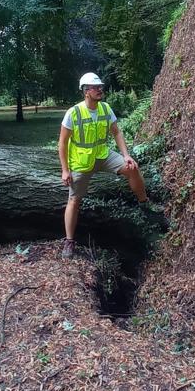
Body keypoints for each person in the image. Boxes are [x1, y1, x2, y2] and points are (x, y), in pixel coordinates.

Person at [58, 72, 149, 259]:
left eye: (100, 86)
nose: (100, 89)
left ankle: (145, 204)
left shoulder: (106, 109)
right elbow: (62, 143)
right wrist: (65, 170)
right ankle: (69, 241)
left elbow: (116, 132)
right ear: (85, 91)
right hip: (81, 163)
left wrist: (126, 155)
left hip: (102, 155)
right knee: (74, 201)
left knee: (133, 168)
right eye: (95, 87)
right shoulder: (73, 113)